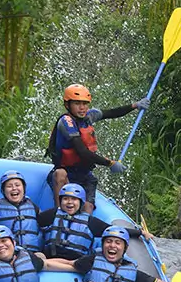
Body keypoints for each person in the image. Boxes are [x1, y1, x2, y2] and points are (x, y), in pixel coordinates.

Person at [47, 84, 149, 214]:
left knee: (88, 209)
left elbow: (111, 113)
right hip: (67, 173)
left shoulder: (89, 116)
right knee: (60, 174)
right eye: (77, 104)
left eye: (85, 103)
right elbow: (83, 152)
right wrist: (110, 163)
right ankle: (58, 214)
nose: (82, 108)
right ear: (67, 105)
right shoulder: (66, 122)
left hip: (84, 175)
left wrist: (135, 105)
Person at [46, 225, 173, 282]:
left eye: (118, 243)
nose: (112, 245)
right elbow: (69, 264)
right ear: (102, 245)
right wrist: (43, 264)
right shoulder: (92, 260)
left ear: (125, 248)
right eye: (108, 241)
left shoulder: (133, 272)